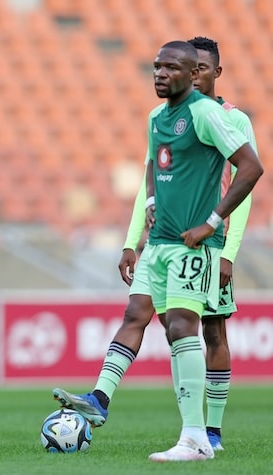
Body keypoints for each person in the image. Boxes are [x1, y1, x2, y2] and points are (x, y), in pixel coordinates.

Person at [52, 37, 258, 453]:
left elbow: (250, 172)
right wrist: (137, 235)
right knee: (139, 314)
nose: (163, 74)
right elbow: (154, 169)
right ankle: (100, 399)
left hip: (201, 244)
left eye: (176, 67)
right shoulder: (156, 117)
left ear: (207, 73)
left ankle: (203, 434)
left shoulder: (219, 117)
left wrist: (217, 233)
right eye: (157, 67)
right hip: (162, 242)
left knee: (204, 331)